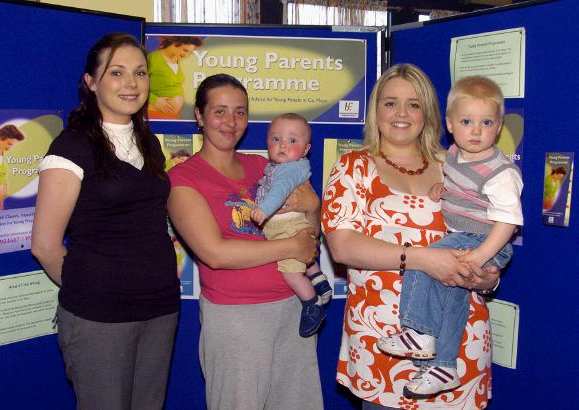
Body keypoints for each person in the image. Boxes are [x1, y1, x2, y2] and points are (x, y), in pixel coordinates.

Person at [321, 64, 501, 409]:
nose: (401, 113)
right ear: (376, 110)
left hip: (459, 341)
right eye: (390, 103)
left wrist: (486, 278)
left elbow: (488, 238)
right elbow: (342, 246)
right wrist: (422, 259)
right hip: (385, 341)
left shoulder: (458, 166)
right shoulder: (352, 166)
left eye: (414, 104)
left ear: (430, 114)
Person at [31, 33, 181, 410]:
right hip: (99, 318)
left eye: (140, 72)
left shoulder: (149, 144)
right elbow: (45, 246)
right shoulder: (71, 147)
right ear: (91, 82)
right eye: (116, 73)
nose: (131, 83)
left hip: (160, 309)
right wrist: (96, 288)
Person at [167, 73, 323, 410]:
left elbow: (310, 233)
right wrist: (289, 248)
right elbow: (215, 253)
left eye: (240, 112)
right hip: (237, 318)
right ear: (199, 115)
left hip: (294, 307)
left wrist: (313, 209)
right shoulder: (183, 178)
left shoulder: (266, 167)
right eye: (219, 111)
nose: (230, 121)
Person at [377, 75, 523, 398]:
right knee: (452, 292)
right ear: (450, 123)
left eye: (486, 122)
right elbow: (466, 190)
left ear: (499, 126)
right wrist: (444, 190)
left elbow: (509, 221)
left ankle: (417, 330)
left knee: (424, 259)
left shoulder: (500, 173)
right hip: (467, 238)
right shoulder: (453, 155)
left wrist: (480, 256)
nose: (475, 130)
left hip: (481, 241)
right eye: (467, 121)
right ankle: (445, 365)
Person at [250, 113, 332, 337]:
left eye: (292, 141)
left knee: (292, 274)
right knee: (305, 257)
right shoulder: (283, 167)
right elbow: (268, 184)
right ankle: (319, 280)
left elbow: (278, 191)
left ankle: (311, 304)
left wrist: (263, 209)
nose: (283, 145)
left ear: (305, 149)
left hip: (286, 227)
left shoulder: (288, 170)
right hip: (294, 225)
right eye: (276, 139)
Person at [147, 36, 203, 120]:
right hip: (155, 115)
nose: (186, 55)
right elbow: (137, 86)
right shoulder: (153, 59)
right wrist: (154, 100)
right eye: (185, 50)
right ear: (175, 43)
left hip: (171, 116)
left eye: (190, 53)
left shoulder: (176, 59)